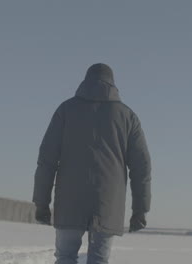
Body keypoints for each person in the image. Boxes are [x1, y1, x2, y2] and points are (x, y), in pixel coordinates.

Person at [33, 63, 151, 264]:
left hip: (69, 199)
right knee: (98, 260)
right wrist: (140, 209)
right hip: (108, 203)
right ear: (113, 84)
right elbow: (142, 167)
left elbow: (47, 160)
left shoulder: (66, 110)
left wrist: (41, 202)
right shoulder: (127, 117)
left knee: (65, 257)